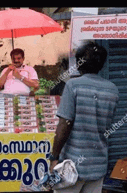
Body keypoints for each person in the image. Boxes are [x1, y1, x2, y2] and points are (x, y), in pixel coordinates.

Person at [48, 41, 119, 193]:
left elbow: (64, 125)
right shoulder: (113, 90)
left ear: (79, 63)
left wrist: (54, 157)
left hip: (72, 167)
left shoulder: (73, 86)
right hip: (98, 165)